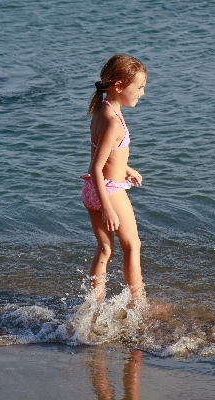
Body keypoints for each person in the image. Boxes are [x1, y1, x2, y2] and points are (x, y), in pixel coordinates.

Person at [81, 54, 147, 305]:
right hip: (108, 192)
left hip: (91, 190)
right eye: (139, 88)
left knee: (106, 249)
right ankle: (138, 303)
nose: (142, 93)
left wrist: (125, 167)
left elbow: (104, 155)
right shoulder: (114, 122)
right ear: (119, 86)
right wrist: (107, 208)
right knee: (133, 246)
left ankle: (94, 304)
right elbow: (97, 167)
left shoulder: (102, 110)